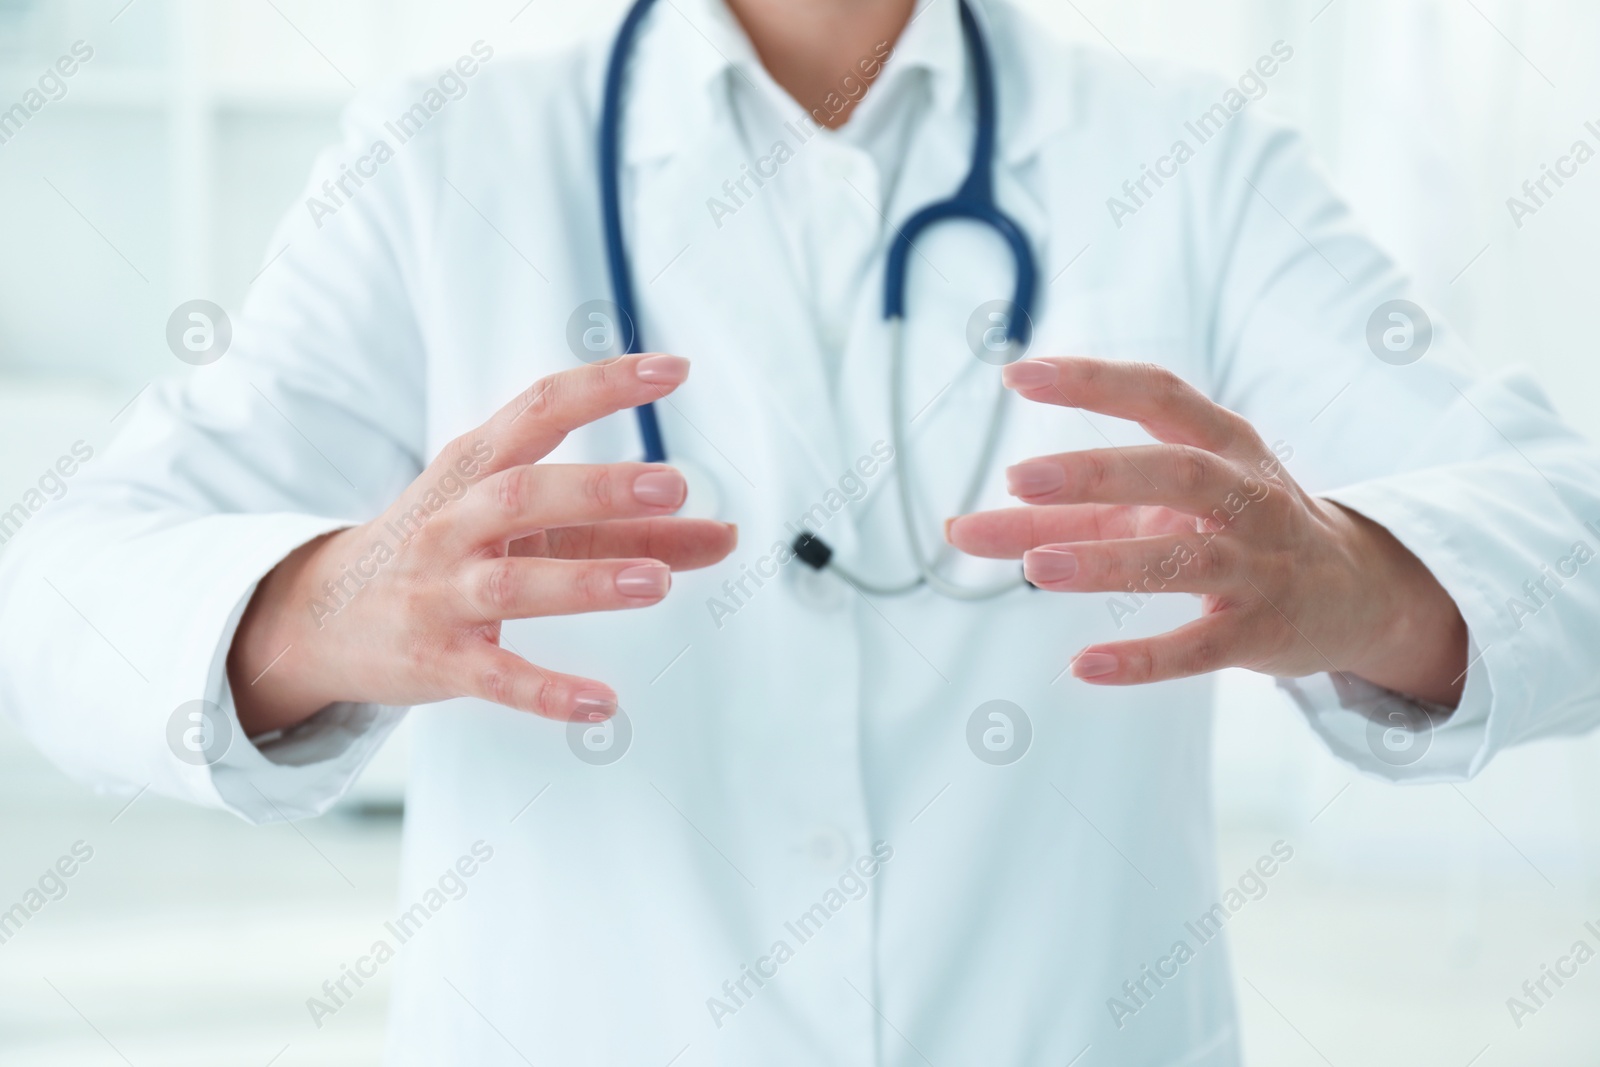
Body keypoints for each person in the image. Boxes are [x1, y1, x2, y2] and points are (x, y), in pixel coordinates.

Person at [2, 0, 1599, 1062]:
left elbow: (1565, 538)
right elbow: (57, 591)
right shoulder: (443, 160)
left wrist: (1353, 580)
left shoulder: (1196, 162)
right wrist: (314, 606)